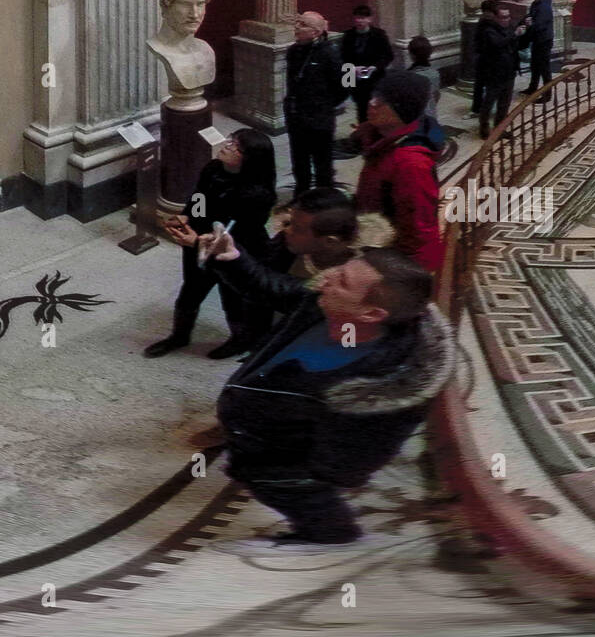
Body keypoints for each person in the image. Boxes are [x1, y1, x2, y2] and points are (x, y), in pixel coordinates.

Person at [176, 220, 457, 557]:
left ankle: (330, 536)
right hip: (258, 423)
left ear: (371, 312)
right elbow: (276, 290)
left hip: (281, 455)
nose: (325, 279)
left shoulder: (382, 393)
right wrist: (233, 257)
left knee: (282, 489)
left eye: (342, 281)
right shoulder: (323, 305)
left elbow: (352, 460)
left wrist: (291, 477)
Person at [145, 127, 281, 360]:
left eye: (235, 146)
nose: (226, 145)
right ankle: (179, 336)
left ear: (250, 158)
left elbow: (235, 232)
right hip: (198, 240)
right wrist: (187, 215)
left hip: (235, 250)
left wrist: (197, 240)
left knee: (232, 299)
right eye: (230, 140)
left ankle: (239, 340)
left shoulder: (257, 194)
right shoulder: (213, 168)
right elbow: (200, 197)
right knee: (190, 291)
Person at [355, 73, 447, 276]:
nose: (371, 102)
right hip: (379, 237)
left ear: (402, 111)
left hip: (400, 260)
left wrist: (403, 276)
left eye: (382, 100)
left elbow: (417, 231)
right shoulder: (382, 138)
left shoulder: (411, 164)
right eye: (375, 94)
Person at [282, 11, 345, 196]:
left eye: (302, 24)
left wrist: (324, 105)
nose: (296, 27)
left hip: (320, 119)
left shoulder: (330, 53)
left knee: (322, 162)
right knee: (299, 159)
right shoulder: (294, 51)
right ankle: (301, 194)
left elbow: (343, 86)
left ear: (316, 32)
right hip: (296, 116)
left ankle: (324, 198)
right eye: (297, 22)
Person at [469, 0, 523, 137]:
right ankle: (484, 128)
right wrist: (514, 35)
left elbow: (515, 46)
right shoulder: (489, 30)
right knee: (489, 102)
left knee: (504, 103)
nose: (507, 20)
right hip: (495, 72)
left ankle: (500, 128)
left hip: (509, 71)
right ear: (496, 17)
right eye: (504, 17)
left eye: (508, 16)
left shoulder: (510, 27)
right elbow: (498, 44)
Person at [337, 5, 394, 126]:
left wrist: (375, 67)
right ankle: (363, 132)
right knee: (361, 107)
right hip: (355, 78)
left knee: (377, 107)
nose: (359, 20)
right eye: (357, 17)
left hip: (375, 78)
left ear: (370, 19)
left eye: (362, 18)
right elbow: (341, 57)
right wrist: (353, 68)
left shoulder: (379, 35)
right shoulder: (348, 35)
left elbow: (388, 56)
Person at [525, 0, 558, 93]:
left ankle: (547, 93)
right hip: (538, 39)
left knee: (544, 68)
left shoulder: (543, 5)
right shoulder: (535, 3)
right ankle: (532, 88)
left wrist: (530, 23)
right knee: (535, 66)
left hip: (544, 40)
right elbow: (530, 16)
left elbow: (540, 25)